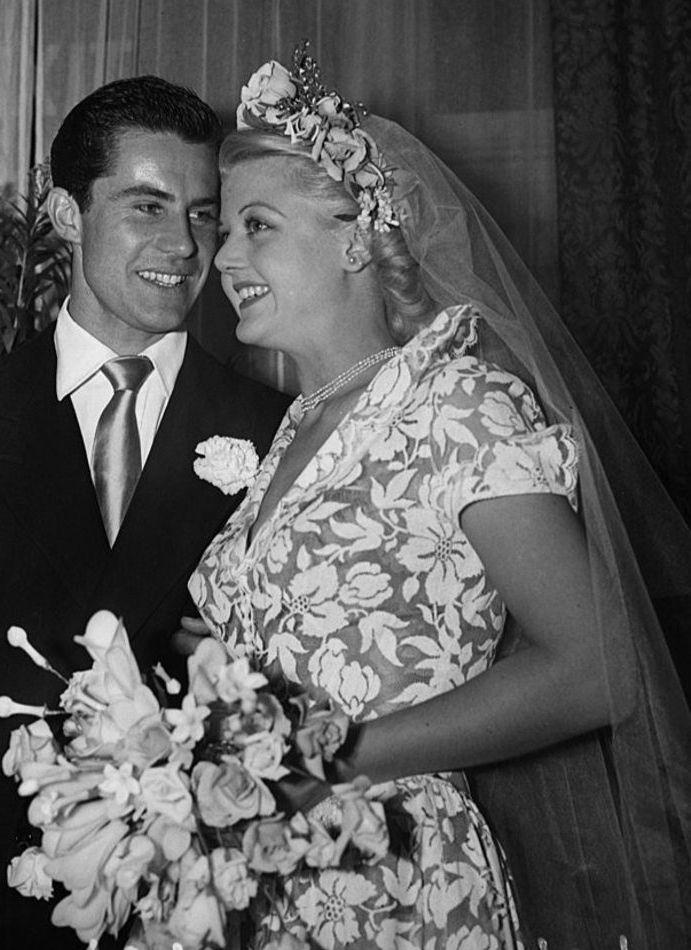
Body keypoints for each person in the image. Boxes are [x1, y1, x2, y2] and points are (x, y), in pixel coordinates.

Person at [185, 51, 691, 950]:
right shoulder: (295, 426)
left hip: (398, 883)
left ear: (354, 238)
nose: (221, 258)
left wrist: (337, 758)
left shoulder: (453, 403)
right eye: (225, 232)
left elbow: (601, 667)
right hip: (263, 883)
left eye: (255, 226)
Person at [0, 75, 289, 949]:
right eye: (146, 206)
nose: (182, 246)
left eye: (201, 213)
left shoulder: (278, 435)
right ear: (68, 215)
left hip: (191, 916)